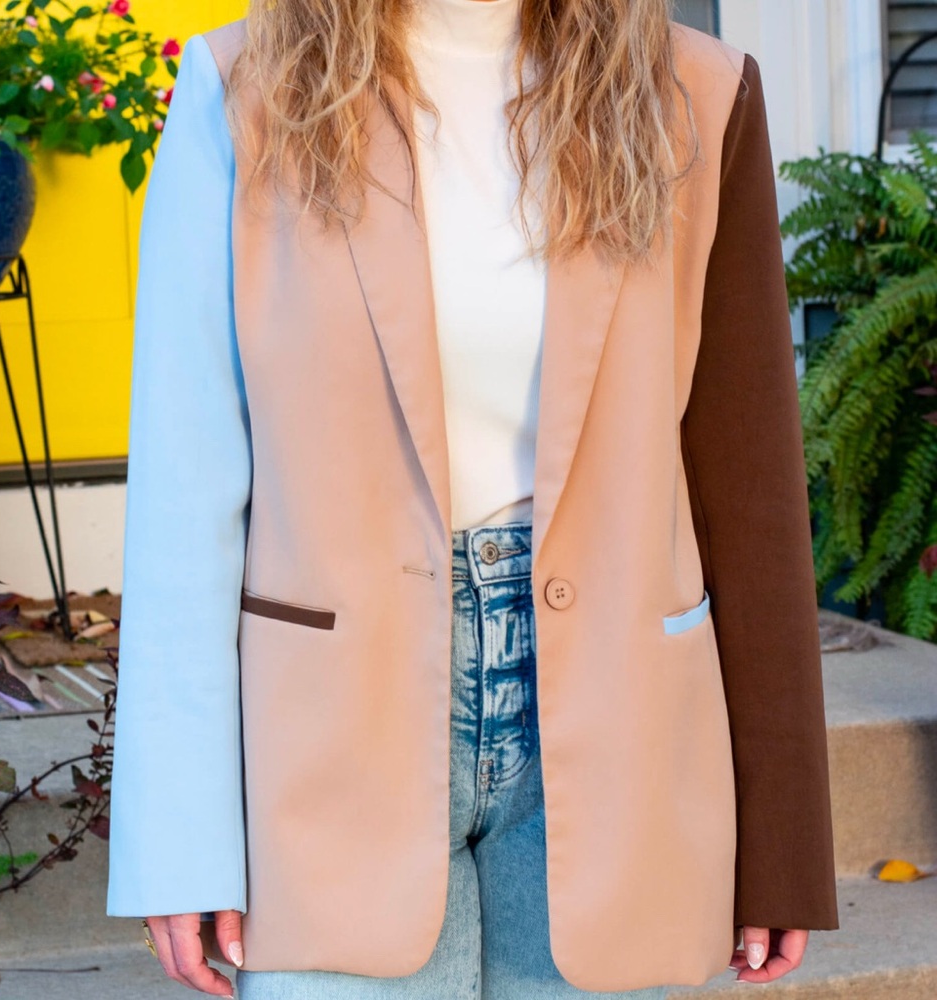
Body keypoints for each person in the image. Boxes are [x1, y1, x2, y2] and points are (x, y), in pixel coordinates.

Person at [105, 1, 840, 997]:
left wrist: (783, 834)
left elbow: (745, 488)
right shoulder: (243, 89)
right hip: (331, 739)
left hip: (621, 726)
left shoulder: (697, 93)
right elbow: (185, 491)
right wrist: (179, 832)